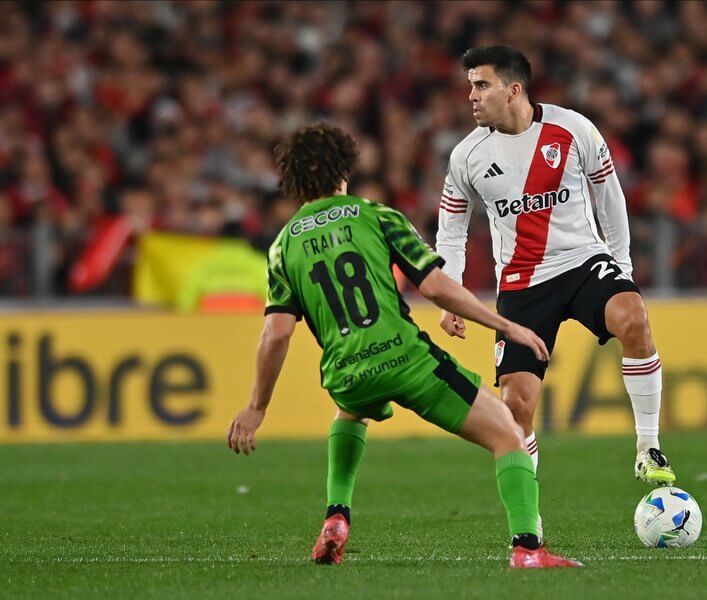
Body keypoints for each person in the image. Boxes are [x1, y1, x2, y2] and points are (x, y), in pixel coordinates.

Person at [226, 124, 581, 569]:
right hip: (406, 361)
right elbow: (436, 287)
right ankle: (528, 549)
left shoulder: (282, 246)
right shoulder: (376, 217)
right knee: (509, 434)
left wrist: (258, 406)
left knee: (349, 409)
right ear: (343, 167)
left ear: (293, 179)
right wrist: (506, 325)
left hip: (346, 373)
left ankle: (337, 515)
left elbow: (276, 333)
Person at [435, 46, 676, 536]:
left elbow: (611, 198)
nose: (471, 96)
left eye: (481, 85)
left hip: (584, 263)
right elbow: (451, 228)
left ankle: (647, 446)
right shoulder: (468, 155)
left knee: (633, 317)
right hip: (523, 286)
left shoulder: (574, 130)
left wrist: (622, 268)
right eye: (470, 85)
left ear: (513, 89)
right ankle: (531, 521)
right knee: (516, 407)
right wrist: (449, 291)